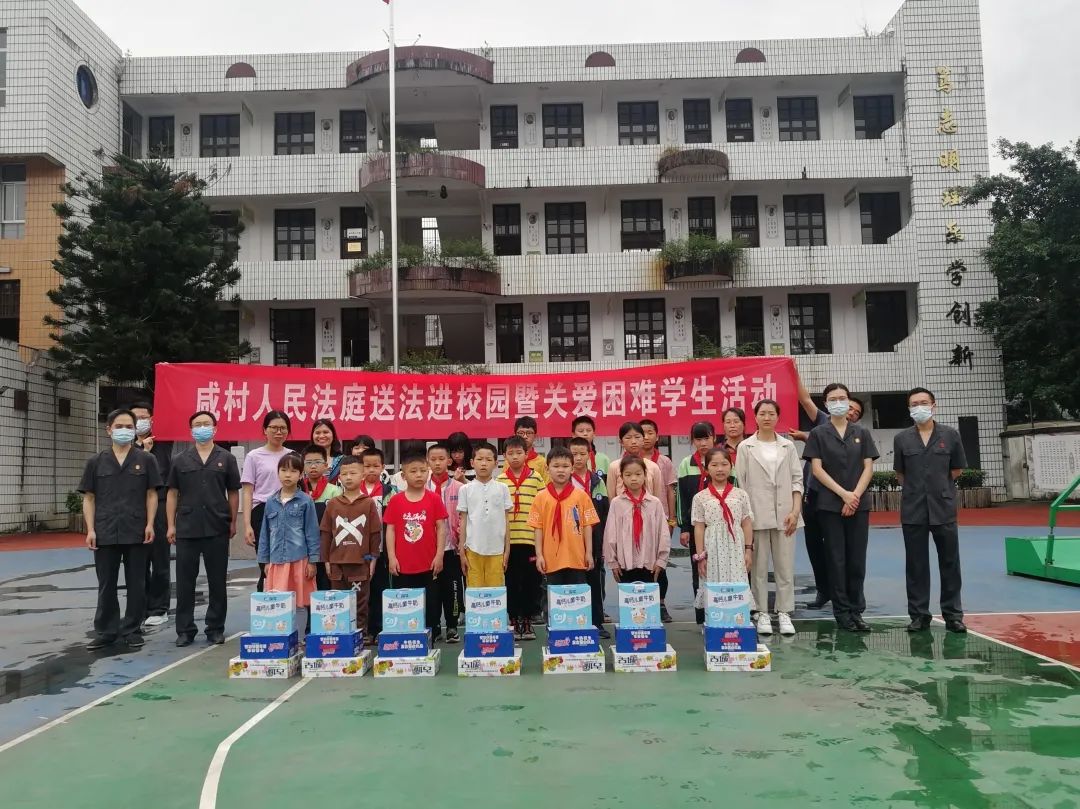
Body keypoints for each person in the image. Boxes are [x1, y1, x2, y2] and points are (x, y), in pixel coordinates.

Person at [79, 409, 162, 651]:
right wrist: (90, 529)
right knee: (106, 583)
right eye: (119, 426)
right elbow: (89, 498)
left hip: (136, 529)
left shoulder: (147, 460)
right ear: (108, 430)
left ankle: (132, 629)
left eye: (129, 426)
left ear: (135, 430)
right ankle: (106, 631)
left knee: (137, 582)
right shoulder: (96, 462)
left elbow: (151, 494)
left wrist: (150, 523)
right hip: (105, 530)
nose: (124, 430)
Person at [803, 383, 878, 633]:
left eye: (842, 398)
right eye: (833, 399)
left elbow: (868, 467)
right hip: (829, 505)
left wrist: (854, 496)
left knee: (857, 560)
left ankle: (857, 611)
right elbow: (817, 469)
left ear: (848, 400)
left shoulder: (861, 432)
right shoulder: (818, 433)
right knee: (836, 559)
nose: (838, 402)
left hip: (858, 504)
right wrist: (843, 495)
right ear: (826, 404)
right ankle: (842, 612)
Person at [894, 387, 968, 634]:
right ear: (909, 408)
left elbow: (956, 470)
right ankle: (918, 615)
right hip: (913, 509)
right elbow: (901, 474)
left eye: (924, 402)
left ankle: (953, 615)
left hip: (943, 507)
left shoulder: (950, 435)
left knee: (950, 562)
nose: (919, 407)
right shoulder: (902, 438)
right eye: (914, 404)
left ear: (934, 405)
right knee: (916, 565)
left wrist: (937, 486)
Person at [791, 364, 865, 610]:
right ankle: (824, 590)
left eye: (855, 412)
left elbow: (864, 468)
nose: (850, 411)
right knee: (814, 545)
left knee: (841, 550)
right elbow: (804, 399)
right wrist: (791, 369)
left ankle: (847, 595)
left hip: (841, 500)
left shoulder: (858, 435)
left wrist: (849, 496)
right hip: (813, 495)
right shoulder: (823, 423)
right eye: (848, 405)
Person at [165, 410, 240, 647]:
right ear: (191, 430)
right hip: (187, 527)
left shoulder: (226, 458)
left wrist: (232, 521)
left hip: (217, 525)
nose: (202, 428)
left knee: (217, 581)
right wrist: (170, 524)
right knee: (185, 581)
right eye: (197, 424)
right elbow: (172, 493)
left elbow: (233, 491)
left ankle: (215, 628)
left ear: (215, 428)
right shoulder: (179, 459)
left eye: (206, 424)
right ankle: (185, 630)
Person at [735, 399, 804, 637]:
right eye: (762, 413)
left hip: (786, 516)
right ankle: (762, 612)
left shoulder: (788, 446)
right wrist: (746, 518)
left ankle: (784, 612)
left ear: (777, 417)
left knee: (785, 567)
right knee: (759, 568)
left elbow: (797, 481)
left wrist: (795, 511)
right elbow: (741, 484)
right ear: (755, 417)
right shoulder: (745, 447)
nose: (767, 417)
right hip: (756, 515)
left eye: (771, 413)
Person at [383, 448, 448, 640]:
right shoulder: (396, 501)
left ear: (428, 472)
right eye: (413, 471)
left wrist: (439, 555)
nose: (419, 475)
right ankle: (407, 636)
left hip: (429, 563)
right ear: (403, 476)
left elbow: (441, 528)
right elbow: (390, 530)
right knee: (405, 603)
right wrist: (392, 557)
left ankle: (432, 634)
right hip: (403, 565)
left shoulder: (434, 499)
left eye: (422, 470)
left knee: (431, 603)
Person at [257, 453, 321, 634]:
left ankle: (299, 640)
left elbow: (312, 532)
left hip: (299, 560)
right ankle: (280, 637)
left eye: (293, 471)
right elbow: (265, 534)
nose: (288, 475)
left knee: (300, 603)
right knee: (278, 602)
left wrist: (313, 561)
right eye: (284, 470)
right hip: (276, 561)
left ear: (301, 475)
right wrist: (265, 561)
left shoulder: (306, 501)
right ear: (277, 472)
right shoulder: (270, 502)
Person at [319, 456, 382, 635]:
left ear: (362, 475)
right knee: (339, 602)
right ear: (339, 477)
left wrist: (373, 560)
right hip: (337, 563)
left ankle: (361, 634)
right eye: (344, 474)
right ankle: (340, 634)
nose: (348, 477)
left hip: (361, 563)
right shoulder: (333, 504)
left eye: (353, 473)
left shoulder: (368, 503)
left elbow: (375, 534)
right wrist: (326, 561)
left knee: (360, 602)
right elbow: (326, 534)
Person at [692, 449, 755, 617]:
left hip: (736, 548)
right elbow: (699, 527)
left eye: (724, 464)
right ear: (706, 468)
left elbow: (746, 523)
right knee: (713, 580)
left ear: (731, 466)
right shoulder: (700, 497)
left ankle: (738, 619)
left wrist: (748, 550)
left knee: (737, 579)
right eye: (714, 465)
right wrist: (700, 556)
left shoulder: (741, 494)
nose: (720, 469)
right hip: (712, 548)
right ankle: (715, 621)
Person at [529, 447, 599, 587]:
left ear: (572, 469)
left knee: (576, 597)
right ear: (547, 469)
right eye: (556, 466)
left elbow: (587, 526)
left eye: (565, 466)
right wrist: (539, 555)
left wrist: (589, 553)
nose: (561, 470)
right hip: (550, 560)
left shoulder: (581, 496)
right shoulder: (540, 497)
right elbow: (538, 528)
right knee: (552, 597)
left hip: (576, 558)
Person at [498, 435, 545, 640]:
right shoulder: (500, 481)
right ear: (504, 456)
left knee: (531, 582)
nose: (515, 457)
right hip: (508, 542)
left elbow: (543, 507)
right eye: (510, 453)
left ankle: (527, 621)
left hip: (530, 540)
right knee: (511, 581)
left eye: (519, 453)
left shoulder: (537, 478)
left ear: (527, 454)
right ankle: (513, 619)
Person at [131, 401, 172, 628]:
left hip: (160, 501)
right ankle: (140, 606)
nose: (139, 422)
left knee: (159, 556)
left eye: (143, 417)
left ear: (152, 419)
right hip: (134, 505)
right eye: (135, 418)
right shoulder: (126, 446)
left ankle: (159, 608)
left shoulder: (163, 440)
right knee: (137, 559)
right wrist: (141, 449)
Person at [243, 411, 293, 592]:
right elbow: (247, 492)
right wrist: (247, 524)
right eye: (274, 428)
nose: (279, 432)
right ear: (265, 430)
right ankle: (266, 599)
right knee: (266, 562)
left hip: (289, 509)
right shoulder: (254, 456)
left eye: (283, 428)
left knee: (287, 560)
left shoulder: (293, 455)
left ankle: (284, 598)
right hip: (262, 511)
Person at [604, 456, 670, 588]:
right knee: (628, 597)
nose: (633, 478)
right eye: (628, 475)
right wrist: (612, 562)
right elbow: (610, 534)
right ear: (622, 477)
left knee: (649, 596)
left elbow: (663, 533)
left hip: (650, 563)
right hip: (625, 564)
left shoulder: (654, 503)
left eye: (638, 474)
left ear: (645, 475)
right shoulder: (617, 503)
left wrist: (661, 560)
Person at [677, 421, 718, 624]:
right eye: (698, 439)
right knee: (699, 571)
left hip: (719, 526)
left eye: (707, 438)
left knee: (720, 569)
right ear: (692, 441)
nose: (703, 443)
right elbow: (682, 499)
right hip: (696, 529)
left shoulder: (721, 460)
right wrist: (684, 528)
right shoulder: (686, 464)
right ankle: (701, 619)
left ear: (714, 438)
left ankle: (719, 615)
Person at [569, 436, 610, 637]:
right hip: (572, 538)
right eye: (574, 454)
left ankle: (597, 622)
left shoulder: (597, 481)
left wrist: (603, 540)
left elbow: (605, 511)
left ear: (589, 455)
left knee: (594, 580)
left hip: (595, 537)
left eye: (582, 454)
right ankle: (574, 622)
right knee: (574, 580)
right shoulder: (565, 481)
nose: (578, 458)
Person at [457, 442, 513, 588]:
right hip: (472, 549)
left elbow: (506, 520)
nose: (484, 463)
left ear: (496, 464)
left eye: (488, 460)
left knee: (496, 591)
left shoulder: (503, 488)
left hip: (497, 549)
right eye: (479, 459)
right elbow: (463, 521)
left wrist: (507, 550)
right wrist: (462, 552)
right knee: (474, 592)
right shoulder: (465, 489)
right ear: (472, 462)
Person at [640, 418, 678, 623]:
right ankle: (639, 603)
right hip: (636, 520)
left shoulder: (664, 462)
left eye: (650, 433)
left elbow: (671, 491)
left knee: (659, 562)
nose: (646, 437)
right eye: (641, 433)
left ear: (657, 437)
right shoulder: (628, 460)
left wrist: (671, 519)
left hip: (660, 519)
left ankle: (661, 604)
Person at [426, 442, 464, 643]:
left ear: (449, 461)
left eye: (441, 459)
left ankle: (451, 626)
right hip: (428, 550)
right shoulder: (422, 487)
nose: (437, 463)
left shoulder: (460, 488)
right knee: (432, 591)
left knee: (453, 589)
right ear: (427, 462)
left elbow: (464, 518)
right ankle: (434, 627)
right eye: (433, 459)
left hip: (452, 549)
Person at [360, 447, 393, 644]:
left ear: (382, 467)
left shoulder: (389, 492)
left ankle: (379, 628)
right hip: (359, 551)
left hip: (382, 550)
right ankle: (364, 630)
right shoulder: (353, 490)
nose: (371, 470)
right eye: (366, 466)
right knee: (364, 591)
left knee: (381, 589)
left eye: (375, 466)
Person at [300, 444, 343, 518]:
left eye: (317, 462)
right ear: (303, 466)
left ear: (325, 466)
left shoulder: (335, 491)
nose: (313, 466)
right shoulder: (299, 489)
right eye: (309, 462)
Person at [509, 416, 548, 483]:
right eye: (521, 433)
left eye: (529, 433)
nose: (525, 436)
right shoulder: (509, 461)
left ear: (535, 436)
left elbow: (546, 486)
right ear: (515, 435)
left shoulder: (542, 462)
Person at [572, 416, 611, 480]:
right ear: (573, 435)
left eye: (588, 430)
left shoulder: (604, 459)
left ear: (594, 434)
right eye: (581, 431)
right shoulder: (568, 459)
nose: (585, 434)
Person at [310, 418, 344, 483]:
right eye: (317, 433)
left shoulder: (343, 461)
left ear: (333, 435)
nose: (321, 436)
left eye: (325, 432)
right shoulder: (303, 460)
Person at [719, 407, 747, 477]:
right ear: (723, 425)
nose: (732, 426)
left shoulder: (751, 447)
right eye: (728, 422)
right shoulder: (718, 450)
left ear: (744, 424)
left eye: (736, 422)